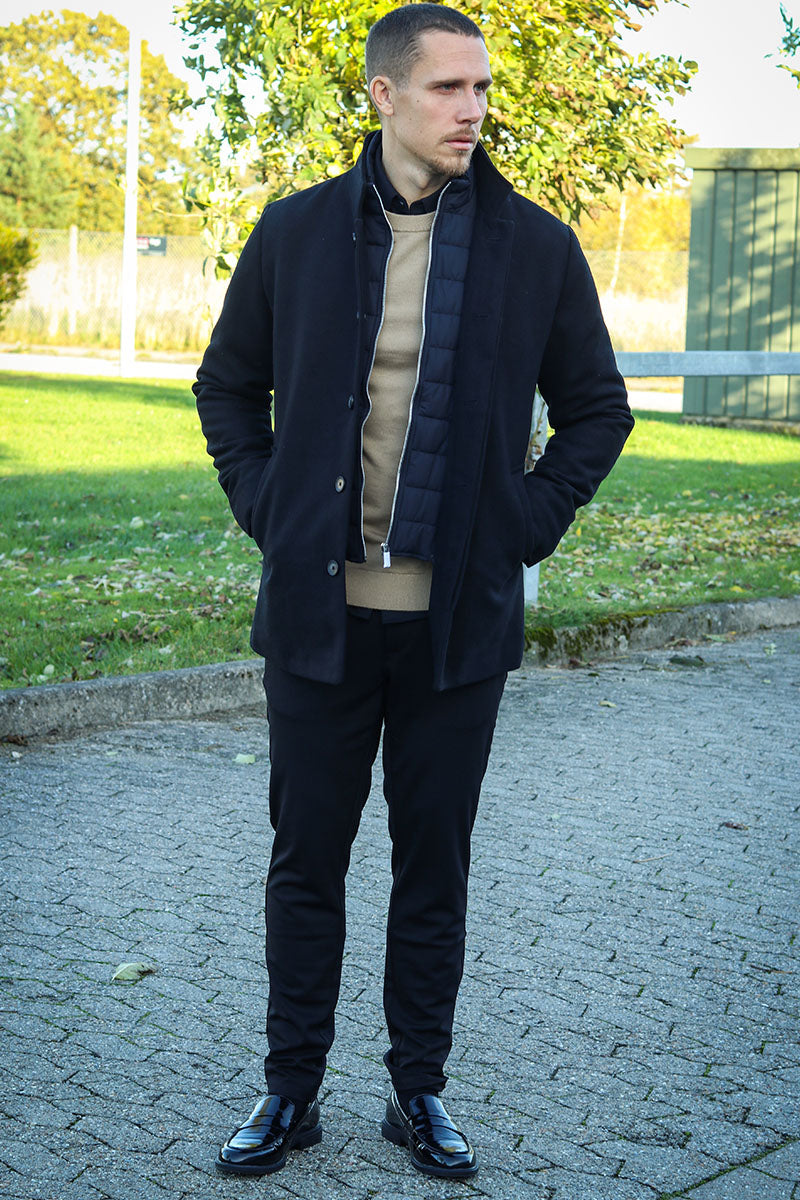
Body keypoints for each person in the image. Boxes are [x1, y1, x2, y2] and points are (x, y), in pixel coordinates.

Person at [194, 2, 633, 1181]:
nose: (471, 109)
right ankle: (290, 1092)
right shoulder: (293, 233)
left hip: (454, 633)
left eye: (481, 89)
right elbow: (226, 387)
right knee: (306, 863)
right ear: (383, 96)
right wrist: (270, 509)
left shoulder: (534, 248)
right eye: (447, 87)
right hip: (317, 624)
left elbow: (596, 410)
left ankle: (416, 1090)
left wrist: (522, 526)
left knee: (432, 867)